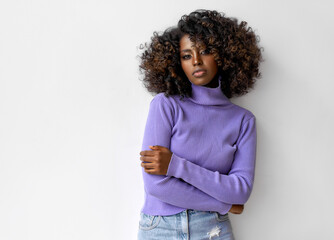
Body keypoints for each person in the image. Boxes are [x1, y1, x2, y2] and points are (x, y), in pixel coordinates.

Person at [137, 9, 262, 240]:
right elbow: (156, 186)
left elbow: (241, 190)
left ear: (224, 55)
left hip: (213, 229)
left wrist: (176, 165)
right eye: (186, 55)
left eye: (205, 51)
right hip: (161, 228)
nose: (196, 61)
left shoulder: (243, 120)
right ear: (177, 62)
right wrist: (223, 205)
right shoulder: (166, 105)